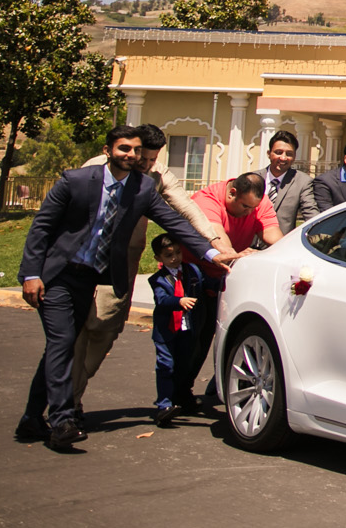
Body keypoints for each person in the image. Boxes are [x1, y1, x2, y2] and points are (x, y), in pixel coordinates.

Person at [17, 126, 222, 452]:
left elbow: (177, 220)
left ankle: (31, 418)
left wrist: (212, 250)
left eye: (137, 150)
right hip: (57, 275)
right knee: (64, 341)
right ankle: (62, 422)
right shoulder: (77, 179)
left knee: (58, 348)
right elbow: (42, 226)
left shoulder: (143, 188)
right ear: (108, 149)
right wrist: (31, 274)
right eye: (124, 148)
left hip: (90, 278)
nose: (132, 155)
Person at [69, 124, 234, 419]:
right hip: (80, 261)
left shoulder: (157, 177)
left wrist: (216, 246)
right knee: (74, 332)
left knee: (106, 329)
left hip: (121, 265)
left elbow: (186, 211)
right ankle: (68, 402)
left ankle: (71, 389)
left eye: (151, 160)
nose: (145, 166)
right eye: (141, 159)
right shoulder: (95, 168)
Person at [180, 172, 279, 408]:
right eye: (244, 206)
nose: (248, 212)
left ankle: (220, 388)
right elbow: (217, 239)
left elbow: (272, 235)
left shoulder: (258, 201)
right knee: (194, 337)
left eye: (252, 208)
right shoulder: (206, 201)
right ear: (231, 192)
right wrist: (238, 254)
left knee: (227, 334)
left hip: (228, 274)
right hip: (196, 272)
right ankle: (178, 392)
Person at [147, 234, 204, 427]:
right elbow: (161, 300)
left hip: (187, 328)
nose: (175, 258)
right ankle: (163, 405)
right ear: (158, 258)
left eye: (178, 252)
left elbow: (205, 286)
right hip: (167, 330)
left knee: (183, 365)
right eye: (168, 255)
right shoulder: (158, 279)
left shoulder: (192, 271)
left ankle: (178, 399)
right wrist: (179, 301)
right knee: (166, 365)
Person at [259, 130, 318, 230]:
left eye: (289, 154)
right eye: (278, 152)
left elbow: (310, 212)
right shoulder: (253, 178)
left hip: (281, 243)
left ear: (294, 156)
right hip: (248, 243)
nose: (283, 158)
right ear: (269, 154)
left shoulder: (302, 182)